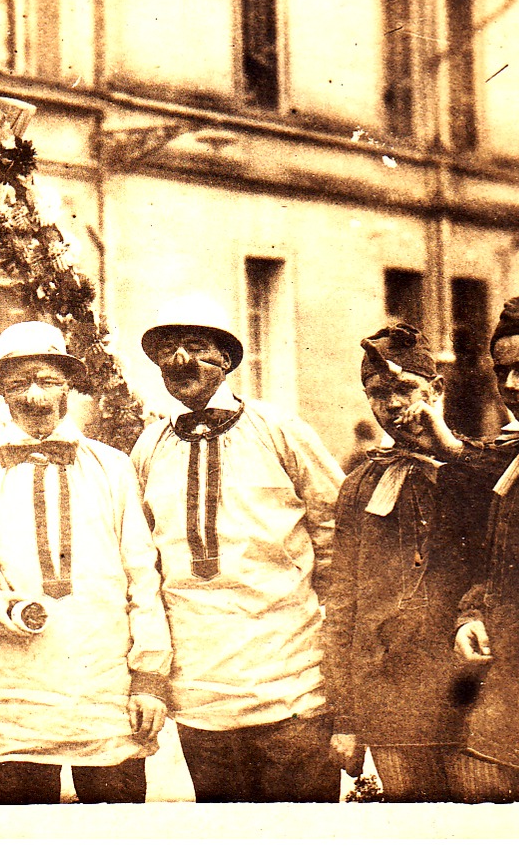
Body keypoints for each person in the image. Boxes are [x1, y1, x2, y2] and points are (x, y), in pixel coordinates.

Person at [0, 321, 170, 804]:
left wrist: (149, 674)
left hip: (102, 684)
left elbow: (142, 575)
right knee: (22, 834)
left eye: (46, 379)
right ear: (2, 390)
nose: (34, 395)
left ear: (68, 383)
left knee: (118, 832)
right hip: (8, 688)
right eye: (19, 382)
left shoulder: (111, 466)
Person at [129, 295, 345, 802]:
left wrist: (331, 635)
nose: (181, 361)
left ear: (226, 359)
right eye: (168, 351)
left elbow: (337, 529)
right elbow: (141, 560)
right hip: (201, 692)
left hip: (290, 683)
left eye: (198, 347)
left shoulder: (278, 431)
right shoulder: (151, 446)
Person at [320, 324, 487, 800]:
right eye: (378, 393)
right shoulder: (360, 486)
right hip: (391, 701)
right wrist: (346, 719)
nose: (392, 405)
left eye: (405, 389)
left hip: (468, 695)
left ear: (436, 390)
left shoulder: (480, 469)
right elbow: (344, 604)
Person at [407, 295, 519, 805]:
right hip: (517, 684)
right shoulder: (516, 455)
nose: (512, 386)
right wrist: (471, 614)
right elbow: (495, 563)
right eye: (502, 371)